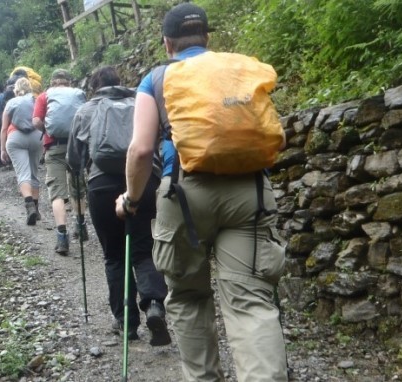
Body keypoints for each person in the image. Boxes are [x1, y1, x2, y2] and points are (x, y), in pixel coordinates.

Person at [116, 3, 288, 380]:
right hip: (250, 193)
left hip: (183, 195)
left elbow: (142, 149)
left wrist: (130, 199)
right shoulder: (239, 68)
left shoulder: (157, 78)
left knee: (189, 298)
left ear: (167, 43)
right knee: (250, 303)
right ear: (207, 38)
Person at [67, 65, 171, 346]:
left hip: (101, 187)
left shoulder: (85, 112)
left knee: (114, 255)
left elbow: (74, 162)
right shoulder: (140, 102)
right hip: (143, 180)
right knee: (144, 248)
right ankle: (153, 305)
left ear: (94, 88)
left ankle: (125, 322)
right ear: (120, 83)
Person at [33, 68, 87, 255]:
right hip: (76, 146)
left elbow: (36, 121)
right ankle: (81, 226)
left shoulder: (44, 96)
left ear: (53, 82)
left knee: (57, 193)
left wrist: (47, 129)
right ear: (68, 82)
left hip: (54, 146)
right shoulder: (78, 94)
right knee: (78, 188)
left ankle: (62, 237)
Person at [0, 77, 42, 225]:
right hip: (36, 136)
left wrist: (2, 149)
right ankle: (36, 210)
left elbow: (4, 128)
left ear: (16, 90)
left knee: (23, 174)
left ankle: (29, 206)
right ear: (30, 88)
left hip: (16, 138)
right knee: (34, 172)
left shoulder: (11, 103)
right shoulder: (36, 100)